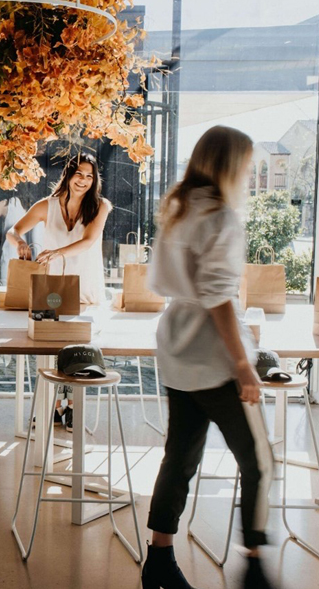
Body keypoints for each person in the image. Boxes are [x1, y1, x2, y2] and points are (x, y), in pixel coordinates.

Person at [143, 126, 273, 589]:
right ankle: (254, 563)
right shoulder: (222, 219)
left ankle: (158, 560)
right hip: (215, 359)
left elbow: (161, 282)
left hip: (177, 348)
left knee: (179, 457)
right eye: (247, 164)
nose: (250, 171)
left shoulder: (177, 209)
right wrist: (243, 367)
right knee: (257, 460)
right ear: (229, 166)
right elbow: (219, 298)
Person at [5, 153, 110, 306]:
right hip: (52, 291)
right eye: (79, 174)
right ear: (68, 174)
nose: (83, 180)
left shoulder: (100, 206)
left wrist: (57, 253)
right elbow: (13, 231)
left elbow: (87, 242)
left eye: (89, 176)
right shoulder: (47, 206)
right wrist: (20, 242)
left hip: (87, 291)